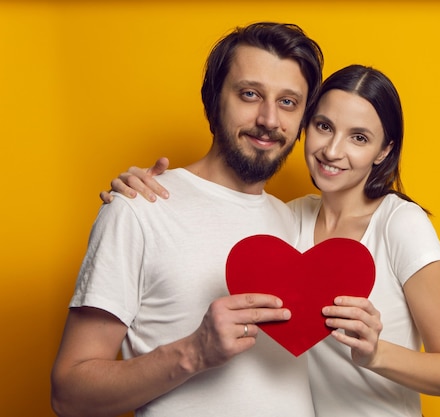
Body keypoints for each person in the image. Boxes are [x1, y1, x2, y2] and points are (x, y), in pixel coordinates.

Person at [102, 64, 440, 416]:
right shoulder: (287, 219)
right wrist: (135, 192)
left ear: (384, 151)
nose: (332, 151)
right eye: (324, 126)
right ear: (304, 126)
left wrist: (375, 353)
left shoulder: (400, 223)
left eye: (359, 138)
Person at [51, 22, 324, 417]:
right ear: (213, 100)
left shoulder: (299, 224)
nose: (268, 118)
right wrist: (194, 352)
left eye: (288, 102)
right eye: (250, 94)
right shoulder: (138, 206)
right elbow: (68, 395)